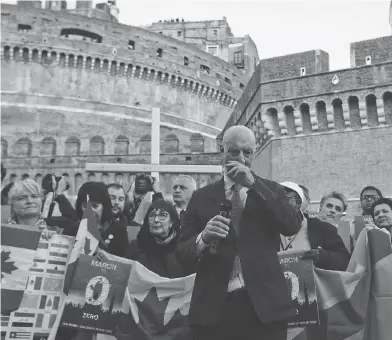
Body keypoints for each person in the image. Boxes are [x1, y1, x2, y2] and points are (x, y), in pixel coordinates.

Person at [175, 125, 302, 340]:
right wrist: (203, 238)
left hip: (264, 308)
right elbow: (181, 253)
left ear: (255, 153)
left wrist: (254, 185)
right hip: (214, 309)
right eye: (233, 151)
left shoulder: (272, 190)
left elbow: (291, 225)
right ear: (221, 152)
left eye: (247, 152)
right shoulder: (201, 197)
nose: (241, 158)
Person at [280, 182, 350, 271]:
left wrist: (323, 256)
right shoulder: (265, 227)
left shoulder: (324, 228)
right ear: (320, 207)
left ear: (298, 202)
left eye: (338, 209)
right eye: (329, 206)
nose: (332, 211)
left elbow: (345, 261)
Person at [126, 199, 185, 278]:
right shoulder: (137, 247)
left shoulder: (183, 247)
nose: (156, 220)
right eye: (152, 216)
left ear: (172, 222)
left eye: (162, 215)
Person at [75, 182, 129, 257]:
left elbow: (123, 263)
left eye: (95, 206)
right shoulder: (74, 228)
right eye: (85, 206)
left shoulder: (118, 229)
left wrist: (98, 251)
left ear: (104, 206)